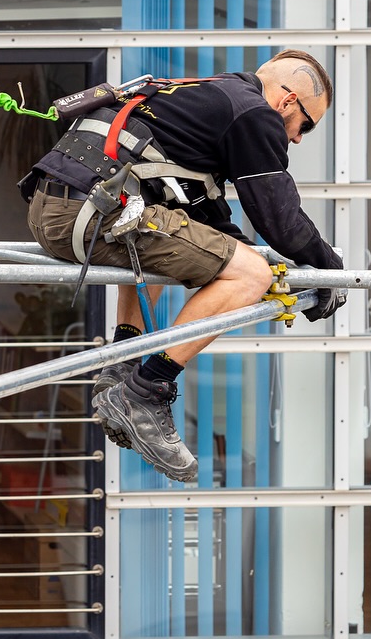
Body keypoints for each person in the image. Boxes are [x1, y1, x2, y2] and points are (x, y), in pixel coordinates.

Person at [21, 49, 347, 482]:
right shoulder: (254, 114)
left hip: (58, 210)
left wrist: (264, 259)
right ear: (288, 102)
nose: (300, 138)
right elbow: (279, 219)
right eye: (306, 125)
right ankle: (146, 392)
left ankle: (123, 365)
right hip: (91, 216)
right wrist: (329, 268)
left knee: (186, 244)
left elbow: (212, 224)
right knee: (250, 275)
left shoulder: (203, 95)